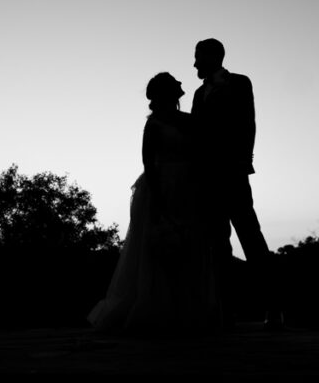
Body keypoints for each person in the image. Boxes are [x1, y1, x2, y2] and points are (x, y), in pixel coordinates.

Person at [87, 72, 221, 333]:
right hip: (160, 187)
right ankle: (157, 310)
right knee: (158, 249)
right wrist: (158, 199)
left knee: (191, 246)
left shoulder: (191, 121)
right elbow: (147, 162)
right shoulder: (153, 125)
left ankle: (190, 311)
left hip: (191, 187)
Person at [191, 37, 282, 327]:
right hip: (207, 177)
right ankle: (224, 309)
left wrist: (244, 160)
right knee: (218, 244)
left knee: (251, 238)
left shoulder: (240, 83)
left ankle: (274, 307)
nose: (194, 63)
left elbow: (248, 122)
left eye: (198, 57)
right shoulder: (197, 93)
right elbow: (195, 133)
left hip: (233, 172)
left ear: (214, 57)